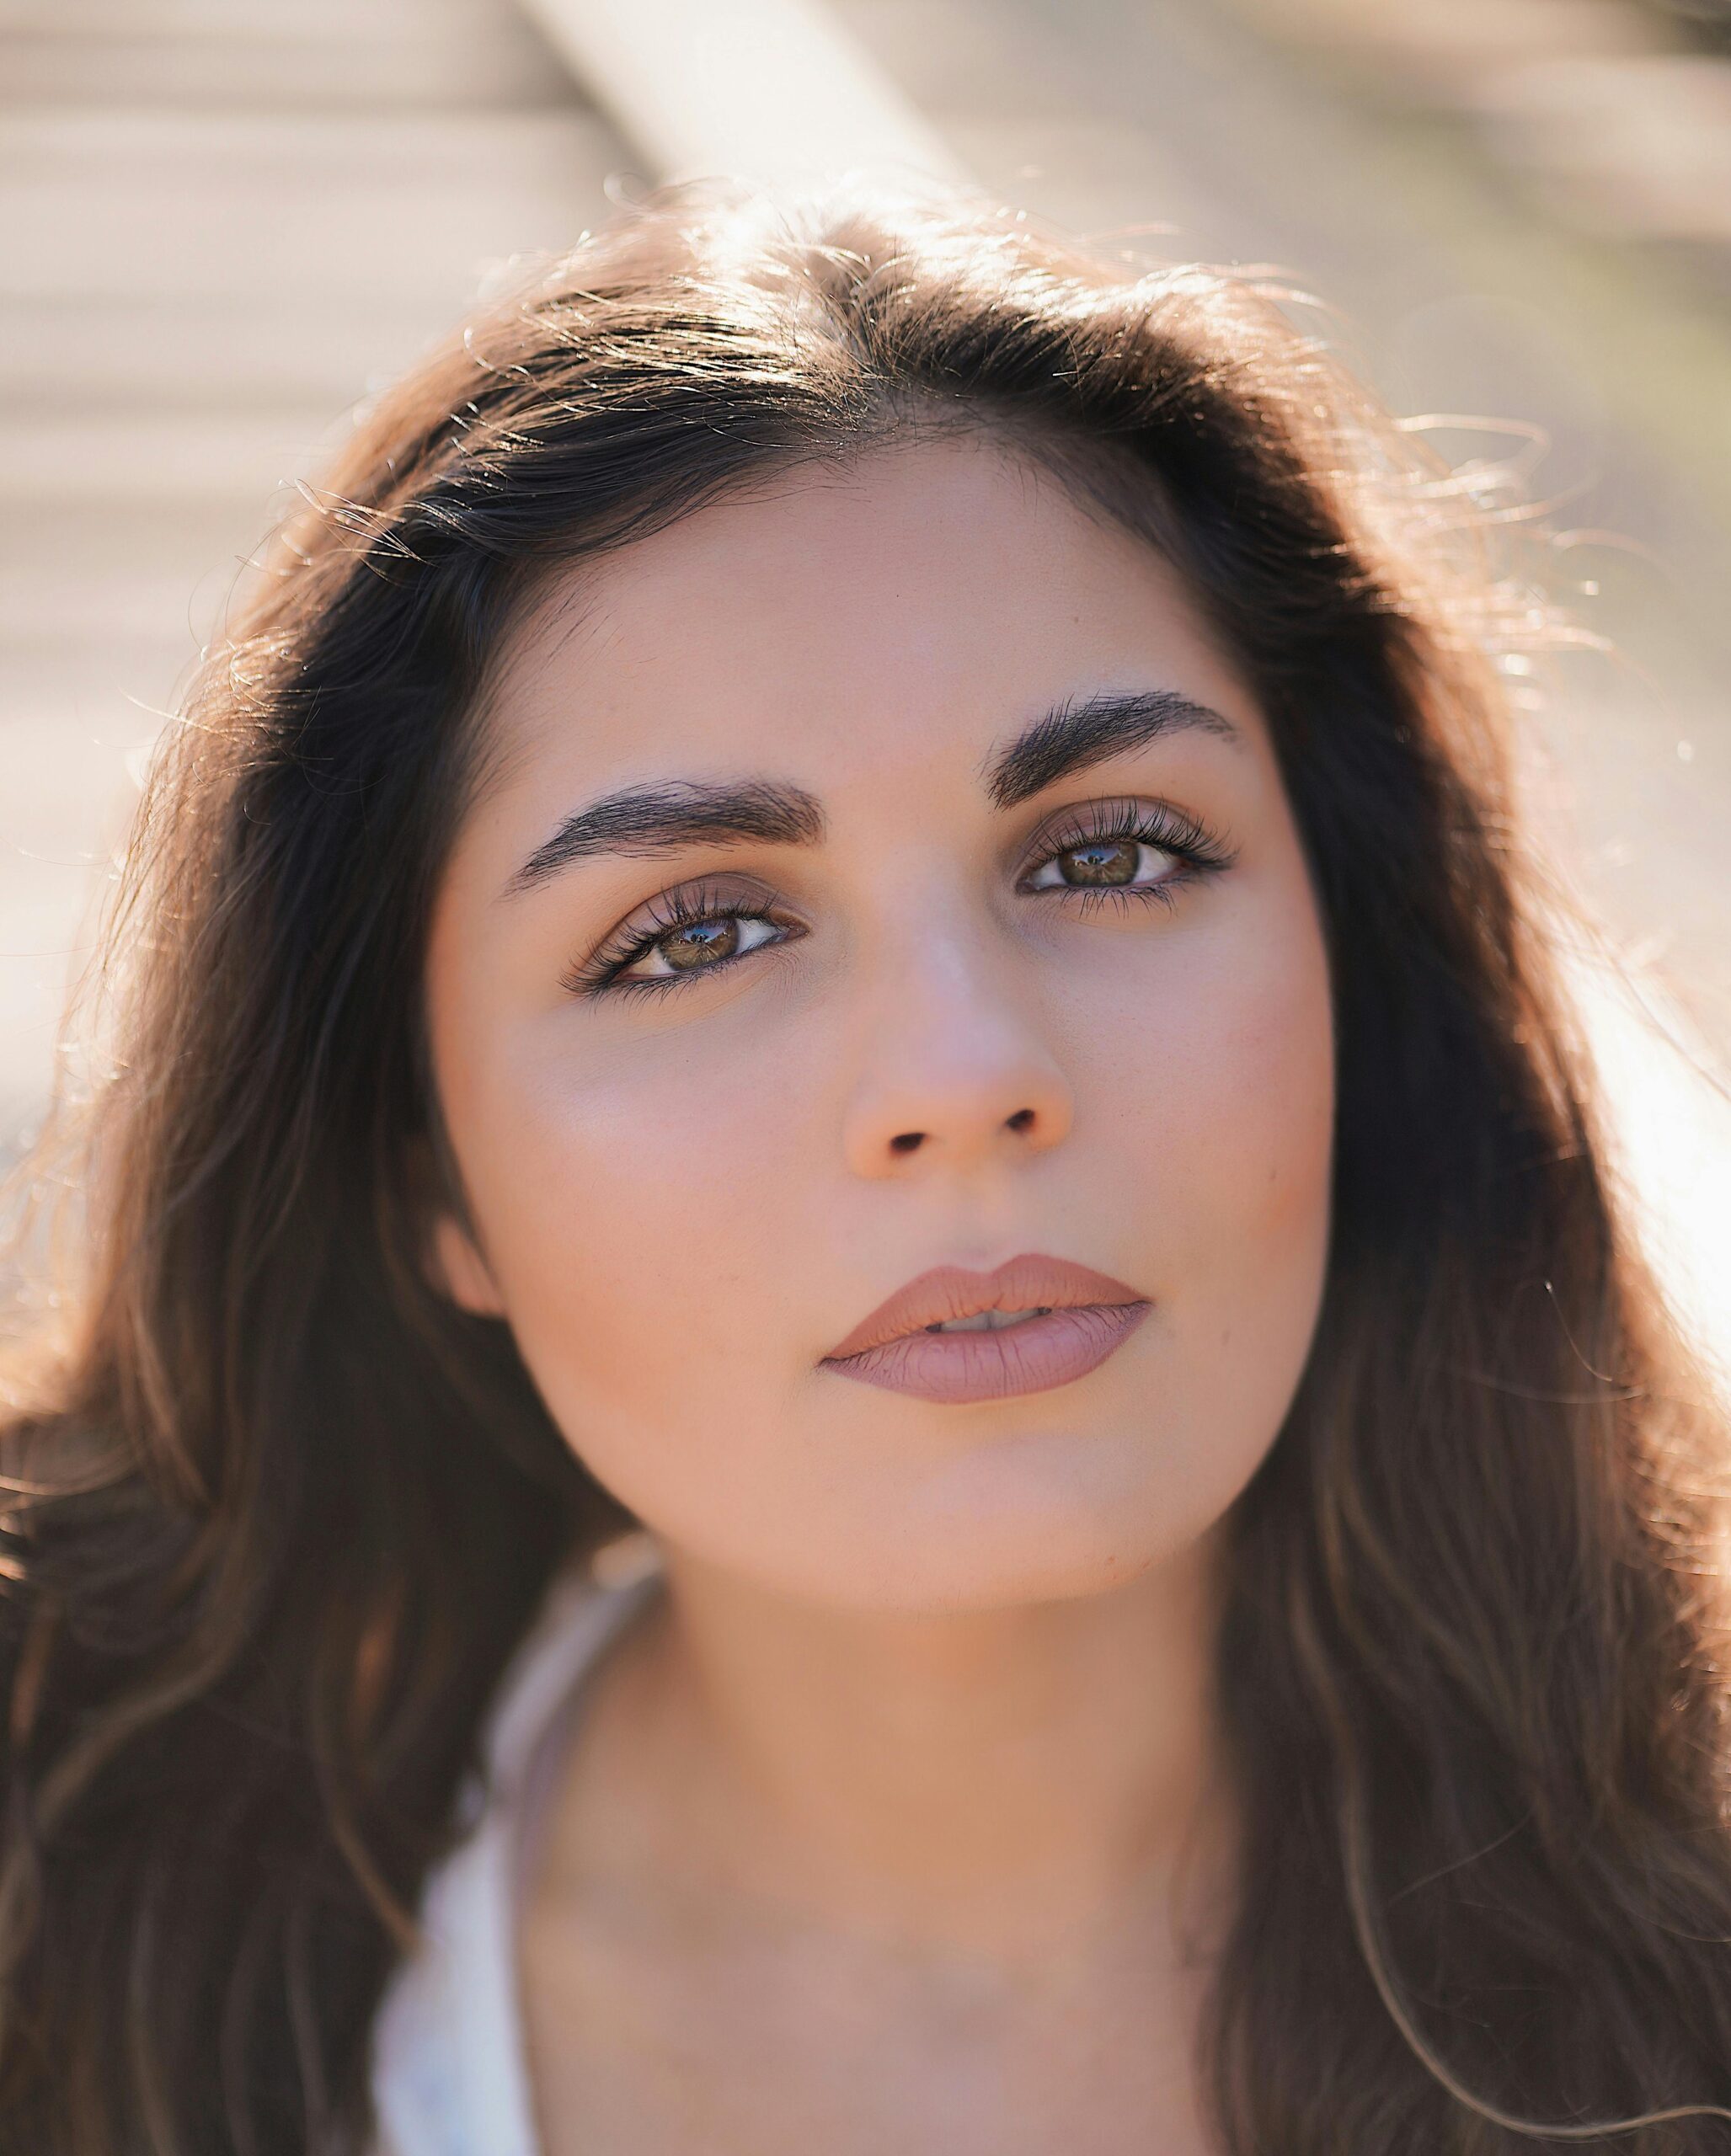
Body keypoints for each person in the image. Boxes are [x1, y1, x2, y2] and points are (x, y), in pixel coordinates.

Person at [3, 173, 1729, 2156]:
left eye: (1107, 852)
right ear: (423, 1180)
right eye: (696, 932)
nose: (966, 1071)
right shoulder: (70, 1969)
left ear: (1354, 961)